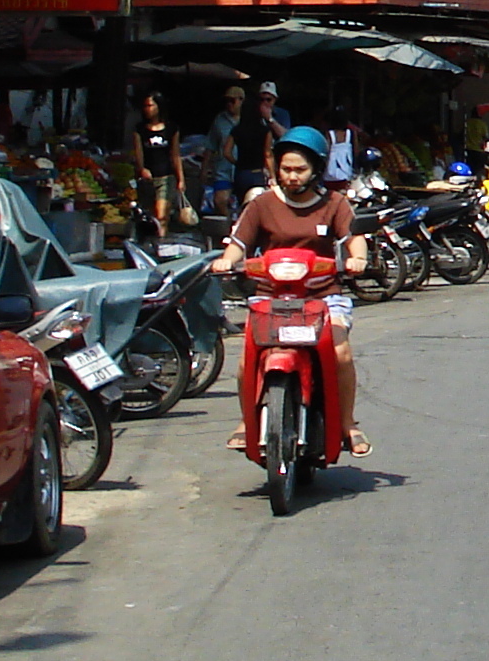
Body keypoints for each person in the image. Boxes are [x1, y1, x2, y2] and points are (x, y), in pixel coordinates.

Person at [212, 128, 370, 458]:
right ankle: (247, 421)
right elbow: (239, 244)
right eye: (286, 169)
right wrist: (227, 262)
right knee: (246, 360)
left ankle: (348, 424)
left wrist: (357, 258)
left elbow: (353, 237)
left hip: (323, 297)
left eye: (300, 170)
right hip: (270, 298)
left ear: (316, 169)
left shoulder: (335, 204)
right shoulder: (261, 205)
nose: (292, 177)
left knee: (341, 353)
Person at [131, 91, 192, 247]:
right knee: (149, 215)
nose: (147, 109)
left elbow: (175, 154)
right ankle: (148, 243)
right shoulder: (140, 130)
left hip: (166, 176)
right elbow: (138, 153)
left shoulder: (171, 129)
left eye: (151, 105)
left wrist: (181, 179)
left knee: (162, 214)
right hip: (147, 179)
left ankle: (161, 243)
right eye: (145, 106)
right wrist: (142, 168)